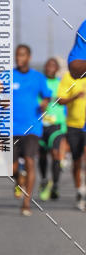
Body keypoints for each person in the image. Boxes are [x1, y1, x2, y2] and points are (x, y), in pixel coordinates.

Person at [12, 45, 50, 216]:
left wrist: (44, 103)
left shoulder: (38, 77)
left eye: (22, 55)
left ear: (29, 57)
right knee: (11, 168)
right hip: (11, 128)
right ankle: (18, 178)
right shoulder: (8, 76)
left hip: (32, 127)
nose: (18, 58)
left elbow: (47, 95)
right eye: (17, 55)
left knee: (29, 161)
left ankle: (26, 203)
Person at [57, 62, 86, 210]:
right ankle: (79, 190)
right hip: (73, 125)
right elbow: (60, 100)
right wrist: (75, 97)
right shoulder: (69, 77)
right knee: (77, 161)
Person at [38, 57, 66, 201]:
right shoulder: (39, 82)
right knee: (42, 155)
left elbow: (66, 102)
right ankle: (44, 180)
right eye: (47, 65)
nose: (50, 68)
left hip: (57, 124)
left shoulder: (61, 84)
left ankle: (55, 185)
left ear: (57, 69)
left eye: (53, 65)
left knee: (55, 154)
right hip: (40, 124)